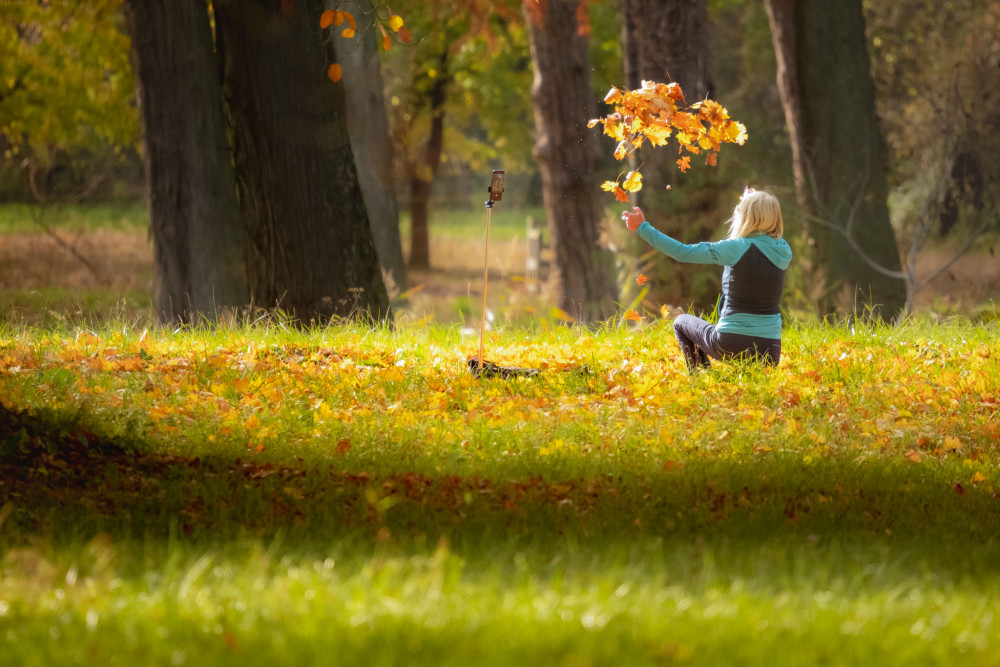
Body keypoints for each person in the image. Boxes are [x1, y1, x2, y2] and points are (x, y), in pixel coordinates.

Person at [621, 188, 792, 372]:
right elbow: (759, 239)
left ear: (746, 216)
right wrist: (754, 201)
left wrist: (643, 228)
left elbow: (683, 252)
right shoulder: (783, 250)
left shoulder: (736, 248)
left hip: (731, 343)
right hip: (770, 352)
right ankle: (732, 377)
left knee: (680, 323)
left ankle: (702, 378)